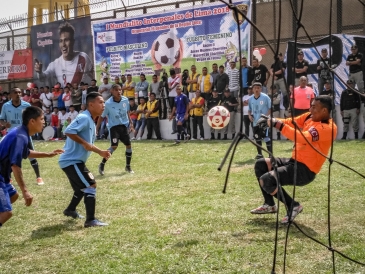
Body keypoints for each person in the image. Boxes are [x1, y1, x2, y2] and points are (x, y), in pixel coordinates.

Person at [250, 95, 337, 224]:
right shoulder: (309, 116)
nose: (310, 109)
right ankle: (270, 204)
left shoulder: (328, 128)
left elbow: (302, 137)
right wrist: (271, 120)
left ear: (324, 111)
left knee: (266, 180)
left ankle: (293, 206)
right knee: (261, 164)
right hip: (294, 161)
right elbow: (292, 121)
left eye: (314, 107)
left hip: (305, 171)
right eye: (311, 105)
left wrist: (277, 125)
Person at [0, 106, 63, 227]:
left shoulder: (21, 132)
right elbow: (15, 166)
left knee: (13, 196)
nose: (44, 122)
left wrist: (48, 154)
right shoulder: (20, 136)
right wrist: (25, 191)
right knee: (6, 213)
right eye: (42, 119)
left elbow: (26, 152)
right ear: (32, 121)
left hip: (3, 176)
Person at [59, 92, 111, 228]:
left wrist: (100, 152)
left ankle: (70, 210)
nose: (103, 105)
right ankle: (90, 220)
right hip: (72, 160)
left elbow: (88, 144)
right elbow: (68, 131)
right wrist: (83, 143)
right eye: (100, 102)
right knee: (90, 184)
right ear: (91, 104)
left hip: (73, 161)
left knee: (80, 189)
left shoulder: (91, 121)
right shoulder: (84, 117)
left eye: (104, 102)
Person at [0, 87, 45, 185]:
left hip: (24, 134)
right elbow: (1, 119)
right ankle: (9, 178)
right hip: (11, 135)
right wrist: (4, 124)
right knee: (8, 157)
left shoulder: (27, 105)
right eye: (15, 92)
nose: (18, 94)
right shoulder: (6, 106)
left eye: (20, 92)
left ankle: (38, 177)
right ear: (10, 95)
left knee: (31, 155)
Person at [34, 22, 93, 87]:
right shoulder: (55, 64)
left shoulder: (83, 57)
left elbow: (93, 75)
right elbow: (43, 78)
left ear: (73, 41)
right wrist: (39, 72)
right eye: (61, 41)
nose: (63, 44)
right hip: (66, 96)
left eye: (66, 40)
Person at [97, 84, 134, 175]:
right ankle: (102, 164)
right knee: (114, 146)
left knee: (128, 145)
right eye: (116, 90)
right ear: (111, 91)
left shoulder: (125, 100)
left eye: (120, 90)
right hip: (114, 127)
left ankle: (128, 166)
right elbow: (101, 117)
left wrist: (131, 122)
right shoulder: (108, 104)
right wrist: (96, 128)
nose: (119, 92)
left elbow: (127, 111)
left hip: (123, 126)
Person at [248, 82, 272, 159]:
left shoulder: (266, 97)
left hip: (264, 121)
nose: (256, 89)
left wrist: (265, 117)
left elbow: (270, 108)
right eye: (255, 88)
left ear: (261, 89)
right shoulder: (250, 98)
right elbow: (249, 109)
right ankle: (260, 154)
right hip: (255, 121)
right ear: (252, 89)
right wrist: (249, 115)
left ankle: (270, 154)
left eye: (258, 88)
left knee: (266, 137)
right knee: (257, 137)